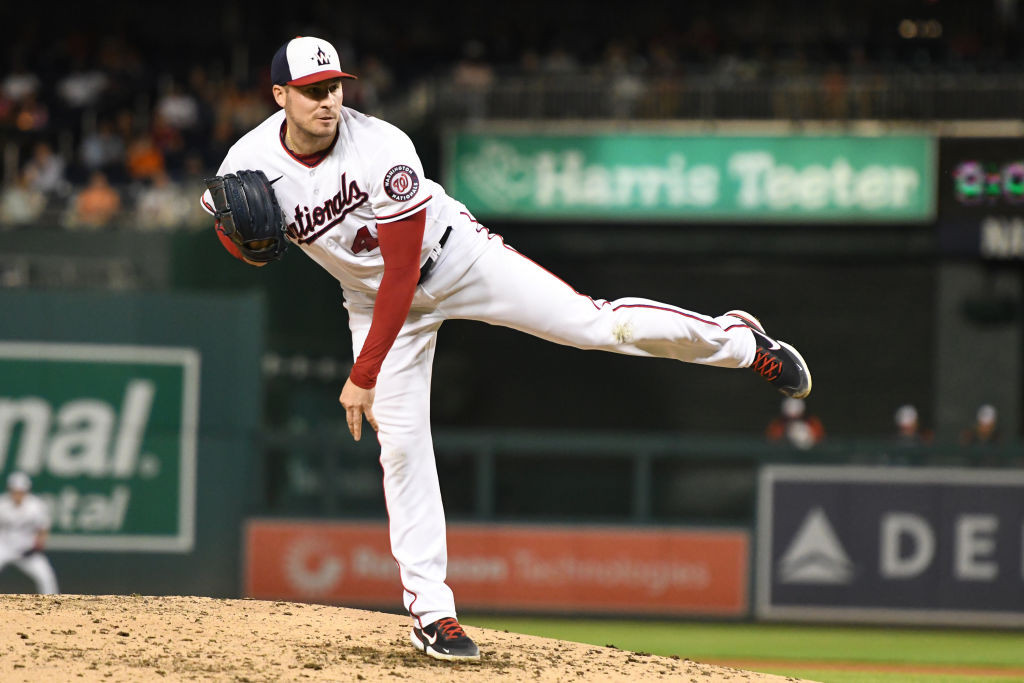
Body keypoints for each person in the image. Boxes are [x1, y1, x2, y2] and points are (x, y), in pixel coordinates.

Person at [201, 35, 812, 663]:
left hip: (455, 261)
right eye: (311, 91)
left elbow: (404, 273)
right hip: (371, 301)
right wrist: (239, 240)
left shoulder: (383, 148)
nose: (328, 101)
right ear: (279, 96)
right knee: (403, 448)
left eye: (334, 87)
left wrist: (363, 372)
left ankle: (738, 343)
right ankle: (433, 615)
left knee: (593, 326)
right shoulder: (247, 163)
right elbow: (229, 225)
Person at [0, 472, 59, 595]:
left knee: (46, 577)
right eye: (15, 491)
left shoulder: (35, 506)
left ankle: (53, 606)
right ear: (10, 490)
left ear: (26, 490)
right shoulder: (2, 504)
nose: (18, 494)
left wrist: (38, 544)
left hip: (26, 549)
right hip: (4, 546)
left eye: (21, 491)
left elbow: (43, 528)